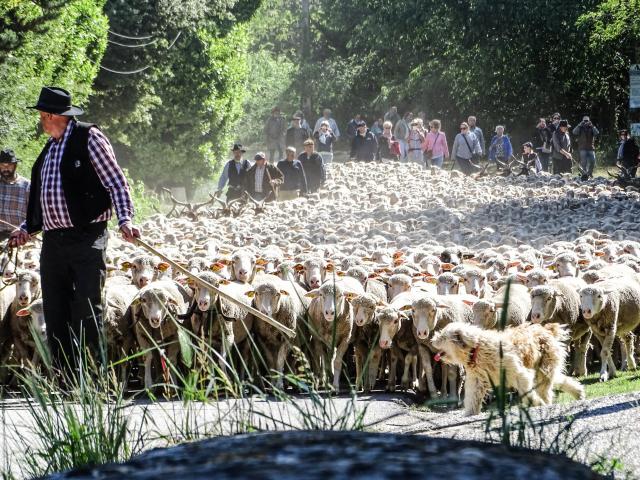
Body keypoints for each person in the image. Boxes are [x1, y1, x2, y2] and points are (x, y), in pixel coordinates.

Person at [9, 86, 138, 369]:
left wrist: (125, 219)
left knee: (87, 309)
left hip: (87, 237)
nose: (41, 121)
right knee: (56, 311)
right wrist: (26, 228)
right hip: (54, 242)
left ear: (53, 115)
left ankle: (91, 377)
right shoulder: (49, 149)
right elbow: (42, 199)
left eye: (43, 115)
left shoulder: (89, 138)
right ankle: (65, 379)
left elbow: (116, 182)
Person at [0, 148, 30, 241]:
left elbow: (35, 215)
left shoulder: (27, 185)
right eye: (2, 165)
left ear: (15, 165)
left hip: (20, 236)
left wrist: (24, 229)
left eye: (9, 165)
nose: (5, 168)